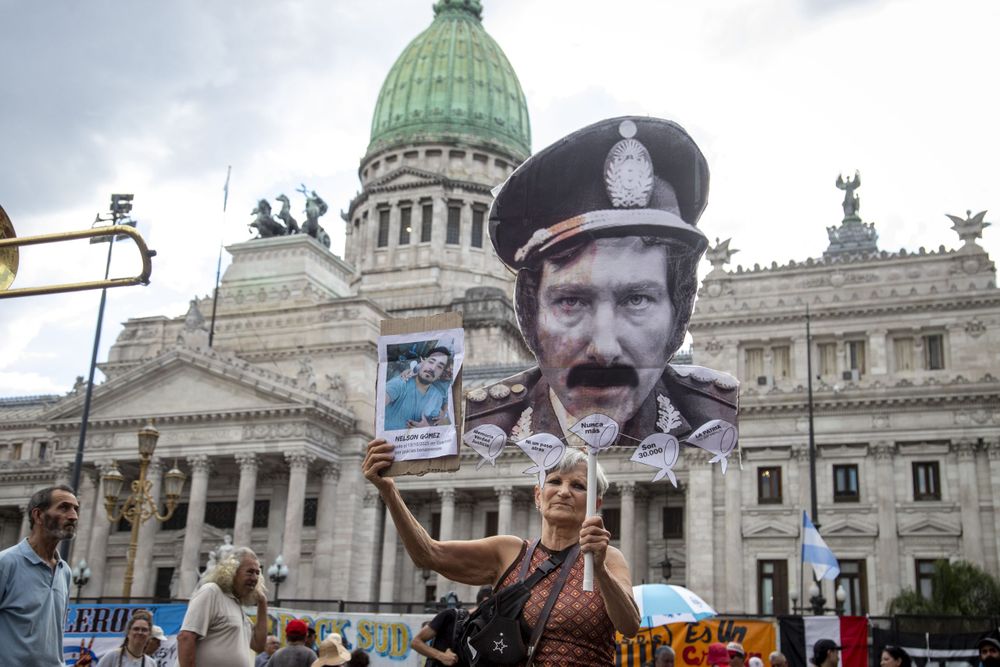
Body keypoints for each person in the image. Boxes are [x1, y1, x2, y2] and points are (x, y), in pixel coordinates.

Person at [464, 116, 737, 448]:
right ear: (529, 316)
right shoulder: (476, 428)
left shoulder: (709, 420)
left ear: (677, 319)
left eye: (637, 300)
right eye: (572, 301)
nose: (604, 349)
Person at [364, 440, 640, 665]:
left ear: (596, 502)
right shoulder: (510, 552)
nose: (564, 492)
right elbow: (428, 554)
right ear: (537, 495)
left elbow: (629, 626)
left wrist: (600, 569)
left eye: (578, 486)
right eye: (554, 481)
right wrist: (389, 491)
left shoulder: (609, 559)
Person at [0, 484, 79, 667]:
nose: (73, 516)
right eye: (64, 507)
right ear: (38, 516)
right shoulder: (6, 564)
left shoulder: (64, 571)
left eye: (76, 509)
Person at [177, 546, 269, 667]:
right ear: (232, 571)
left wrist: (262, 603)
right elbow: (186, 637)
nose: (255, 578)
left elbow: (259, 645)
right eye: (250, 572)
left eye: (258, 573)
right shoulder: (211, 591)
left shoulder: (236, 605)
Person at [411, 585, 492, 666]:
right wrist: (441, 656)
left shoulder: (487, 628)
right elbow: (416, 642)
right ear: (486, 601)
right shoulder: (450, 616)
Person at [384, 347, 452, 430]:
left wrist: (427, 428)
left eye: (439, 367)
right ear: (422, 361)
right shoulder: (401, 383)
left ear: (441, 373)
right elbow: (379, 404)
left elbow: (435, 423)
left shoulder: (437, 397)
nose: (433, 368)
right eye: (431, 362)